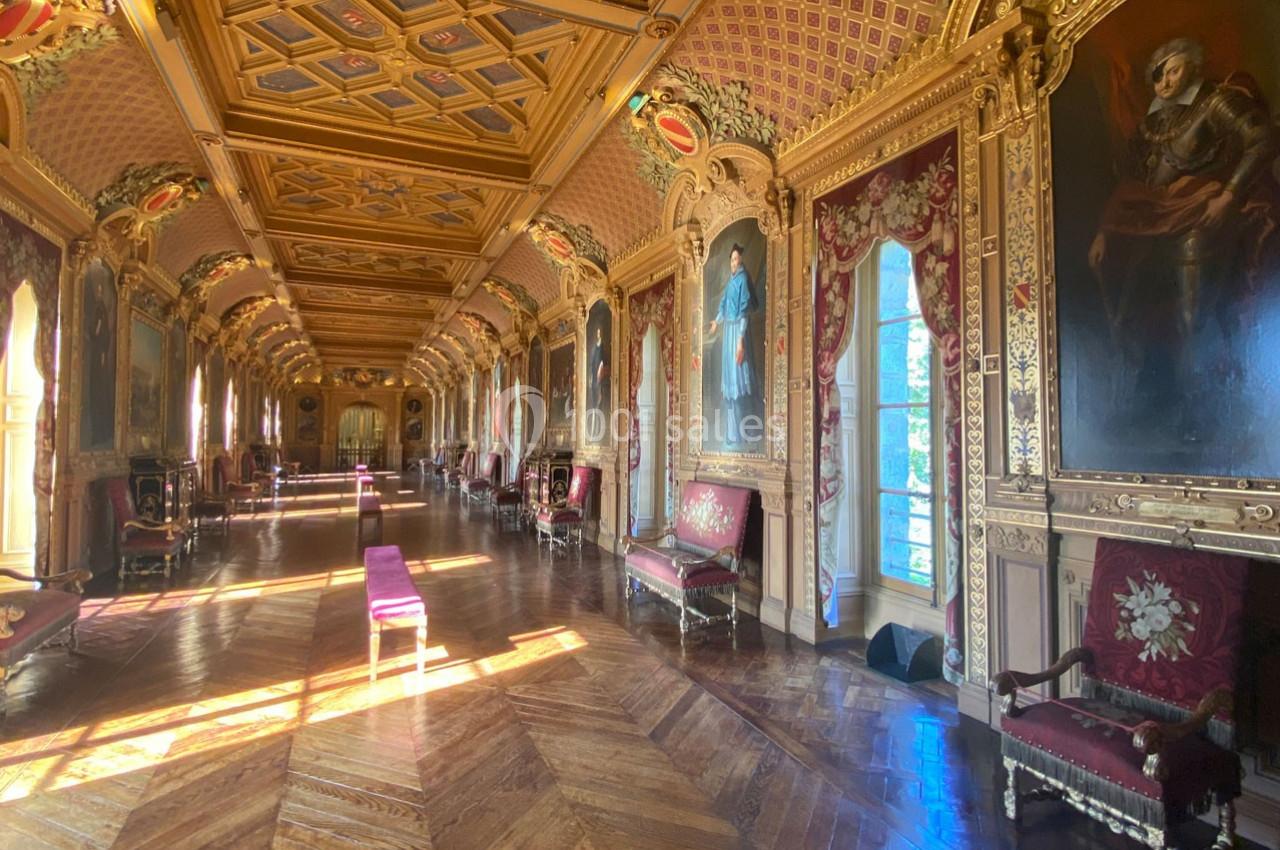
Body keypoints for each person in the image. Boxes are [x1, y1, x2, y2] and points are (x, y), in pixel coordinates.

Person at [1088, 37, 1277, 357]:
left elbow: (1263, 140)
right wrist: (1105, 233)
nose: (1165, 81)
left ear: (1193, 65)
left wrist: (1228, 196)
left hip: (1201, 212)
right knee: (1127, 313)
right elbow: (1131, 185)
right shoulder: (1150, 126)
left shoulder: (1217, 102)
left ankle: (1208, 378)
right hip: (1152, 218)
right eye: (1158, 76)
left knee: (1194, 320)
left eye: (1173, 71)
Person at [708, 243, 759, 447]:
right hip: (728, 331)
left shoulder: (743, 280)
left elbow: (744, 312)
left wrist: (740, 342)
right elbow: (723, 307)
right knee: (729, 387)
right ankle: (732, 434)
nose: (734, 263)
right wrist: (715, 322)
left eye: (736, 259)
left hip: (738, 333)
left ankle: (742, 434)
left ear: (741, 261)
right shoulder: (730, 282)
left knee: (739, 386)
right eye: (731, 260)